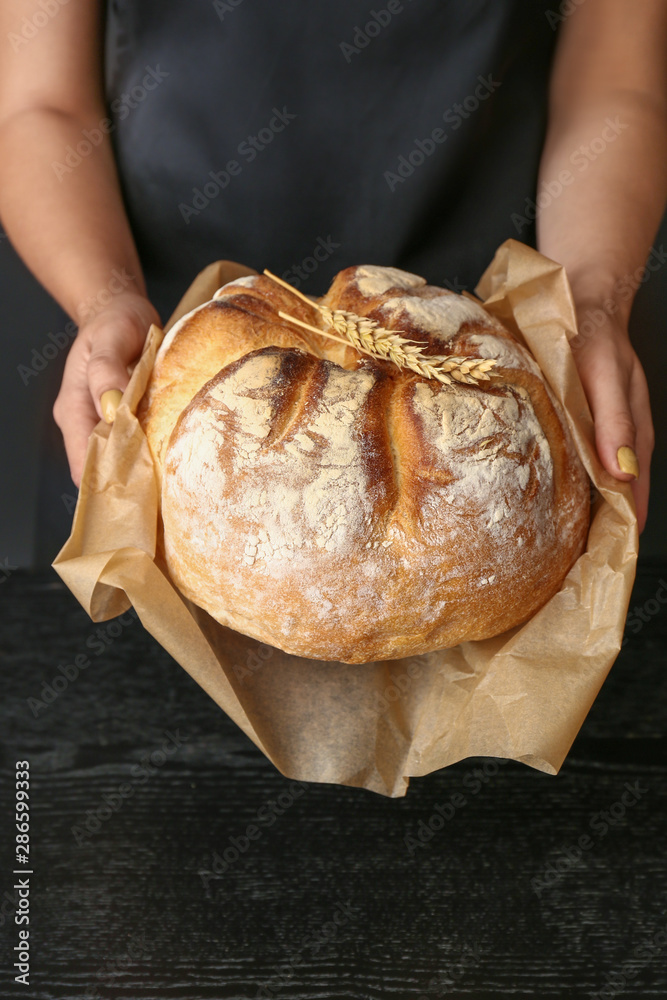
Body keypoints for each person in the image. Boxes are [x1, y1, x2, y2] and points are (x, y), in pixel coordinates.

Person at [0, 0, 664, 533]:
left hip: (496, 398)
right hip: (165, 371)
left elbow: (613, 84)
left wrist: (589, 300)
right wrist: (104, 300)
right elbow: (38, 105)